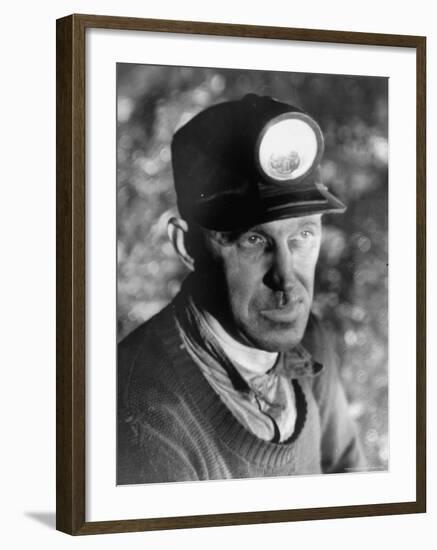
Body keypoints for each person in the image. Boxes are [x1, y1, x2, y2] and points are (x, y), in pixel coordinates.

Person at [117, 93, 366, 484]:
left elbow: (352, 487)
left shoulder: (309, 341)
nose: (287, 281)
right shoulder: (146, 426)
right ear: (187, 246)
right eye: (254, 241)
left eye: (303, 235)